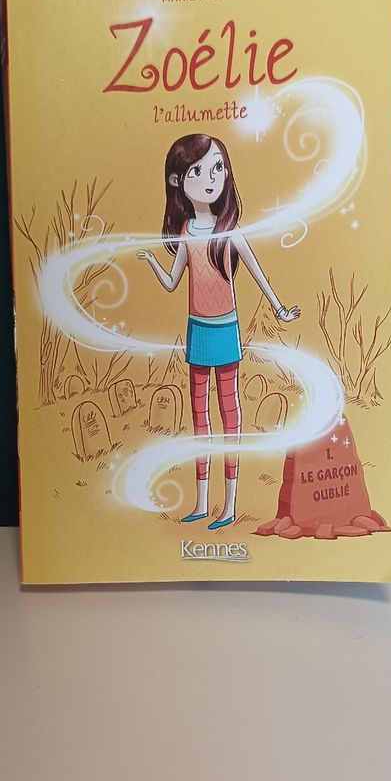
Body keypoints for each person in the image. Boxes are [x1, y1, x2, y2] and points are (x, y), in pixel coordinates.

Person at [138, 133, 299, 529]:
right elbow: (173, 283)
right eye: (197, 171)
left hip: (226, 330)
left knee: (230, 417)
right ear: (177, 181)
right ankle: (200, 503)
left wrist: (279, 308)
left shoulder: (230, 231)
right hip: (198, 331)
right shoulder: (186, 232)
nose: (210, 178)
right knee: (199, 419)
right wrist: (152, 263)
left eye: (217, 168)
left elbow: (258, 273)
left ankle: (228, 506)